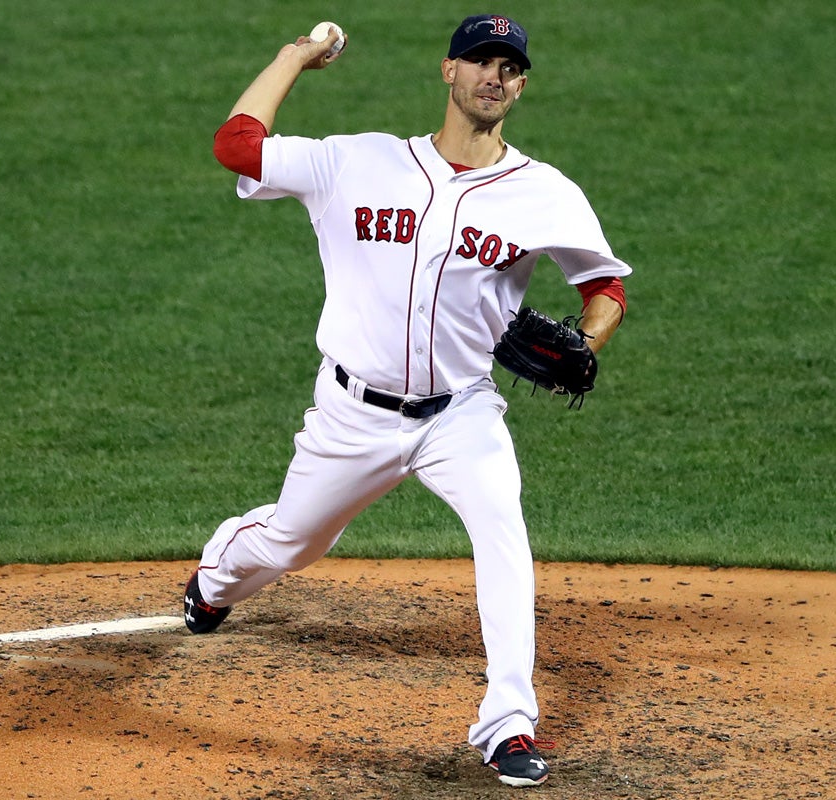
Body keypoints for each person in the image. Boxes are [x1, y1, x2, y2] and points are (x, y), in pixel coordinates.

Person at [185, 14, 631, 787]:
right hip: (352, 414)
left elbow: (606, 287)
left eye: (511, 68)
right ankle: (217, 578)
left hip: (461, 413)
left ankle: (508, 724)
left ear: (521, 86)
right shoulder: (358, 164)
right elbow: (237, 146)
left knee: (502, 530)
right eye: (481, 62)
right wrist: (297, 55)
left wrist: (588, 342)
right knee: (294, 543)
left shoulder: (542, 191)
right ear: (448, 72)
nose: (496, 76)